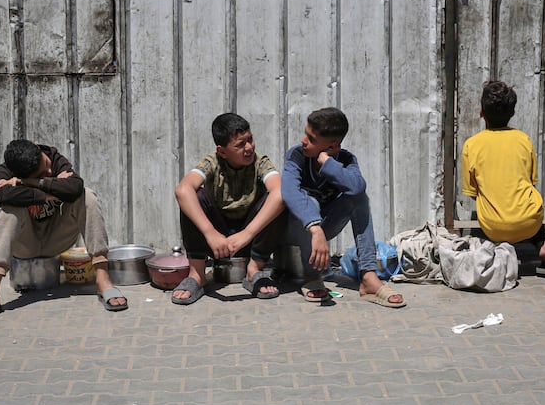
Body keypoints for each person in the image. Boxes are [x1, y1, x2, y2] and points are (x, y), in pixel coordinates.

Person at [0, 140, 128, 324]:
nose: (50, 172)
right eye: (42, 173)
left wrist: (26, 183)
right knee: (9, 208)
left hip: (58, 238)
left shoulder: (54, 157)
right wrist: (51, 190)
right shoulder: (6, 169)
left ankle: (102, 279)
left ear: (37, 147)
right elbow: (4, 195)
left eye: (46, 165)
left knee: (86, 196)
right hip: (24, 243)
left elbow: (75, 187)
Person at [281, 107, 404, 307]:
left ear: (332, 145)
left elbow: (357, 187)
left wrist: (328, 164)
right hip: (294, 229)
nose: (304, 141)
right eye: (306, 134)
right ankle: (312, 276)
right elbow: (289, 191)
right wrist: (315, 227)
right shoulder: (297, 155)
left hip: (323, 227)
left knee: (358, 198)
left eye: (312, 139)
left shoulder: (345, 160)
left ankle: (368, 277)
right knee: (309, 201)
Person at [172, 113, 286, 304]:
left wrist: (247, 234)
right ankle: (197, 275)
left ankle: (254, 270)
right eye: (240, 145)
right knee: (193, 197)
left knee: (278, 198)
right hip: (218, 239)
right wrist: (210, 233)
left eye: (250, 140)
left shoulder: (260, 162)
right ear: (222, 151)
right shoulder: (212, 162)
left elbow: (279, 193)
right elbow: (182, 190)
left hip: (251, 238)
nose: (249, 147)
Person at [461, 80, 545, 276]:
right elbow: (531, 183)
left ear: (481, 112)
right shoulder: (523, 140)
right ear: (513, 113)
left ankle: (494, 249)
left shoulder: (471, 145)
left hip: (494, 227)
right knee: (532, 201)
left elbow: (473, 193)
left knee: (484, 210)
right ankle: (543, 244)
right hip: (529, 223)